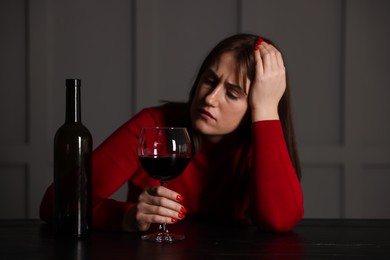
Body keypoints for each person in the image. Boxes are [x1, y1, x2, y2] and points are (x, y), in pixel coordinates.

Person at [40, 33, 304, 233]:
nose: (210, 98)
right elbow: (55, 201)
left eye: (232, 93)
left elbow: (279, 221)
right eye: (210, 80)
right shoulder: (155, 124)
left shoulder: (257, 145)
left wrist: (268, 110)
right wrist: (128, 217)